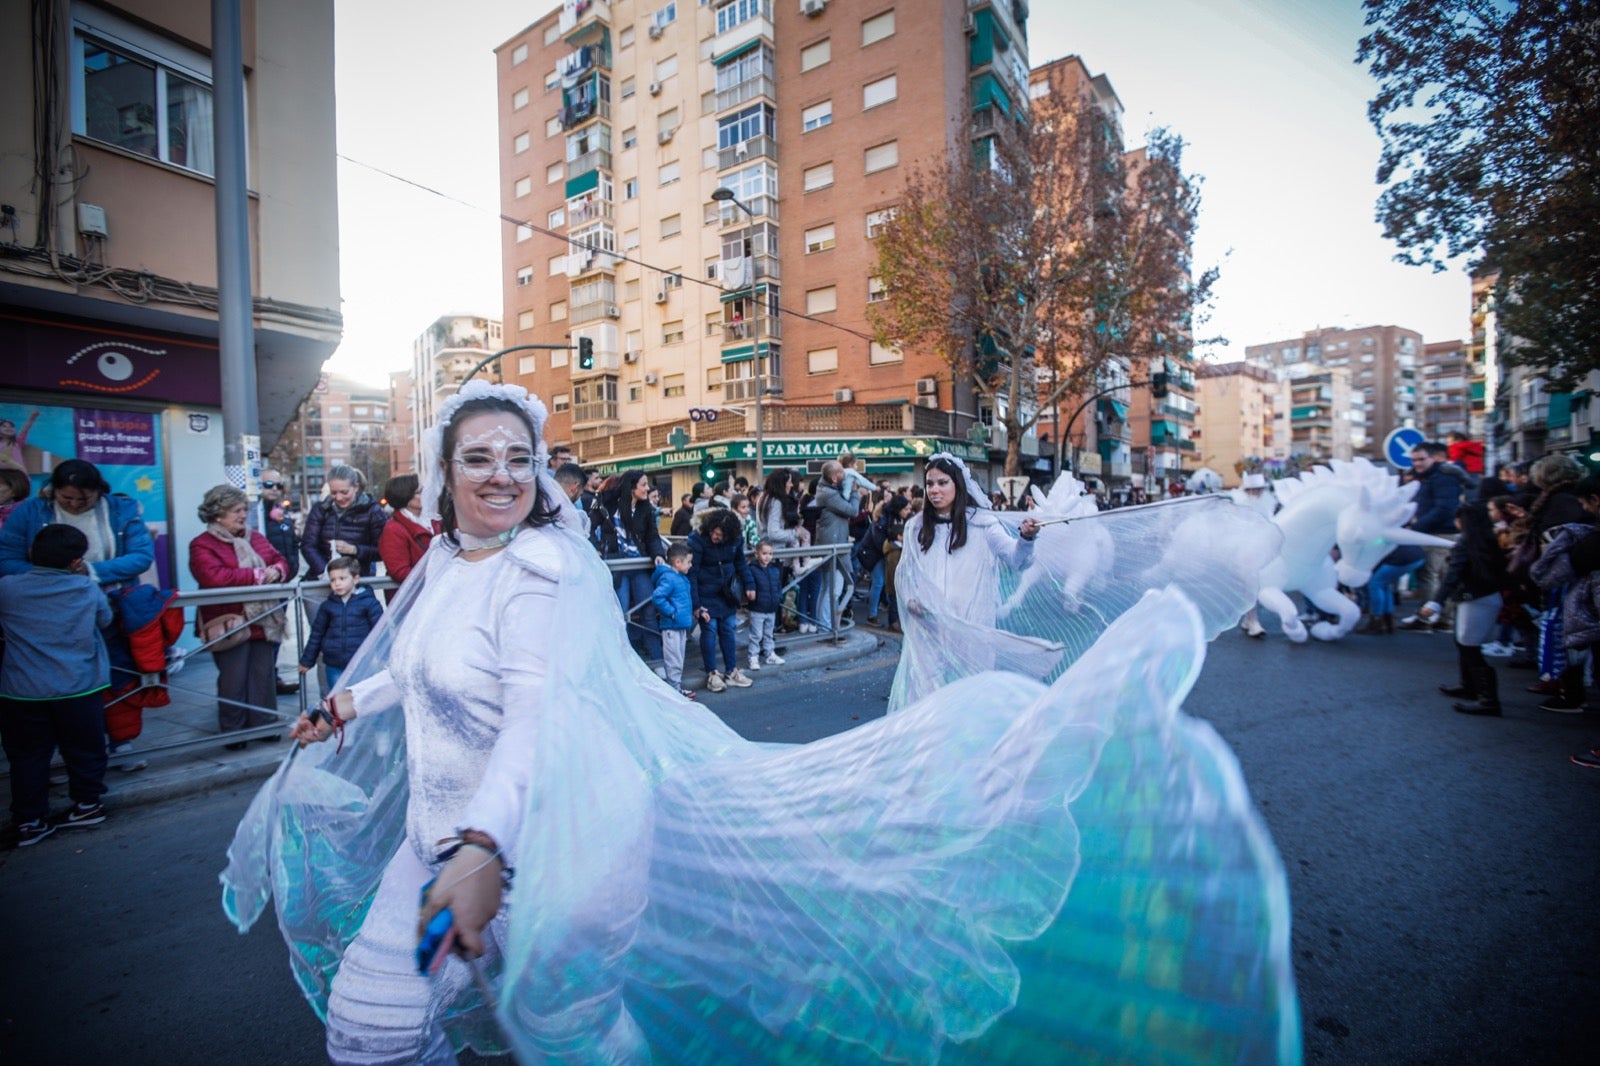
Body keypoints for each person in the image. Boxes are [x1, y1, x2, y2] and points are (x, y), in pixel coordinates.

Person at [228, 381, 1297, 1065]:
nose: (502, 474)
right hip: (447, 850)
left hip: (554, 848)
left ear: (538, 469)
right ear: (444, 473)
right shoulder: (454, 571)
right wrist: (345, 700)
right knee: (372, 1029)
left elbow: (532, 716)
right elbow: (420, 671)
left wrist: (484, 847)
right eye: (480, 457)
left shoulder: (545, 571)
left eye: (520, 456)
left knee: (571, 1032)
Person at [890, 454, 1039, 707]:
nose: (935, 490)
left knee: (971, 694)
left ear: (958, 485)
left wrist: (1026, 539)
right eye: (930, 484)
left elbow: (1017, 560)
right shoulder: (916, 527)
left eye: (942, 483)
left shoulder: (983, 524)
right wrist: (912, 601)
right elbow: (906, 574)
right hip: (929, 627)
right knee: (926, 695)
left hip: (971, 627)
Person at [0, 525, 112, 846]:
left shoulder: (7, 588)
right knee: (85, 749)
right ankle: (88, 805)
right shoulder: (87, 590)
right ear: (77, 561)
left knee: (27, 755)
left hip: (22, 690)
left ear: (33, 553)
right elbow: (104, 621)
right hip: (79, 686)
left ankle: (30, 821)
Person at [189, 484, 289, 749]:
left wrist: (278, 570)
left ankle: (264, 725)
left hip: (263, 617)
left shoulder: (255, 537)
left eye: (244, 509)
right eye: (236, 511)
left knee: (262, 674)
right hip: (229, 620)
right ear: (217, 514)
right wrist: (257, 576)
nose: (243, 515)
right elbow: (213, 577)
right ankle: (233, 732)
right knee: (233, 677)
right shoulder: (201, 545)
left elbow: (279, 559)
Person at [0, 459, 154, 588]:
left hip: (114, 601)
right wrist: (49, 577)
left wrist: (91, 571)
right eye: (66, 498)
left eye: (84, 499)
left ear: (99, 491)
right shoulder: (29, 511)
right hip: (46, 600)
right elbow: (6, 558)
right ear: (54, 490)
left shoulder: (123, 510)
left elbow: (141, 556)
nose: (74, 504)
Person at [1420, 502, 1509, 716]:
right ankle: (1469, 686)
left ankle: (1488, 699)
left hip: (1475, 599)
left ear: (1462, 521)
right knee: (1465, 645)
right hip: (1484, 597)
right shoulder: (1486, 540)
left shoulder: (1466, 544)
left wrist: (1436, 602)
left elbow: (1453, 576)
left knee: (1470, 647)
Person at [592, 469, 668, 660]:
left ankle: (656, 658)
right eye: (643, 485)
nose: (647, 488)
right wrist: (596, 549)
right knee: (621, 613)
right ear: (631, 487)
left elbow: (652, 536)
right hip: (617, 566)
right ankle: (622, 660)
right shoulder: (606, 503)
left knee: (648, 611)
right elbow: (589, 526)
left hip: (640, 565)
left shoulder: (646, 509)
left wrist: (658, 554)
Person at [1398, 442, 1465, 630]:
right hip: (1439, 532)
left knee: (1429, 575)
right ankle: (1444, 618)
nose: (1417, 463)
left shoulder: (1441, 478)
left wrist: (1417, 527)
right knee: (1443, 577)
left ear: (1433, 458)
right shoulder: (1430, 477)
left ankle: (1426, 618)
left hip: (1438, 533)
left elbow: (1443, 509)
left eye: (1421, 459)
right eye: (1414, 460)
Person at [688, 506, 755, 692]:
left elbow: (740, 562)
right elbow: (691, 573)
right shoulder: (697, 539)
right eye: (714, 533)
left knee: (728, 631)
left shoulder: (735, 539)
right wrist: (696, 605)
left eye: (720, 535)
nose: (715, 537)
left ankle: (731, 671)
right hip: (705, 594)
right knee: (709, 632)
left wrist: (749, 585)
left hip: (727, 594)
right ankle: (712, 673)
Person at [299, 556, 384, 695]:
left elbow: (381, 631)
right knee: (338, 700)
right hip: (334, 664)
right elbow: (317, 634)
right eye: (333, 580)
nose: (337, 583)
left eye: (342, 579)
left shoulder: (369, 603)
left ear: (355, 579)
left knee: (363, 699)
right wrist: (307, 661)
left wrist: (384, 658)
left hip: (361, 663)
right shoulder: (328, 606)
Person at [813, 461, 858, 633]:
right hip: (834, 547)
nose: (845, 473)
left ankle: (823, 625)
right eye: (841, 472)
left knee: (827, 588)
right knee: (834, 589)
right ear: (833, 478)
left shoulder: (827, 490)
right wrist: (854, 492)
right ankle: (826, 628)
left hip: (831, 545)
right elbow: (852, 511)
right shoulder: (829, 495)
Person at [651, 542, 696, 698]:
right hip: (672, 625)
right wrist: (672, 613)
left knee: (678, 658)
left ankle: (676, 687)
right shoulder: (670, 578)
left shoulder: (679, 577)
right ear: (678, 562)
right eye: (688, 562)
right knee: (674, 659)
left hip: (679, 624)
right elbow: (658, 597)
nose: (690, 565)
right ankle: (674, 689)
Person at [377, 474, 435, 586]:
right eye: (419, 492)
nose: (425, 494)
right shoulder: (393, 530)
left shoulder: (433, 520)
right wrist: (435, 575)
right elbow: (399, 571)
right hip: (414, 596)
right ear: (406, 497)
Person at [745, 538, 785, 671]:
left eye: (770, 554)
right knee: (756, 635)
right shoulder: (752, 569)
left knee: (769, 634)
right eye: (764, 553)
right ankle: (753, 657)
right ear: (757, 554)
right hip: (757, 608)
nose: (767, 557)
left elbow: (778, 586)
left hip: (771, 608)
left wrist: (778, 597)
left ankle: (769, 654)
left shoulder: (774, 570)